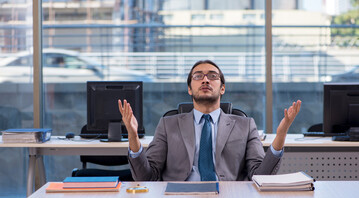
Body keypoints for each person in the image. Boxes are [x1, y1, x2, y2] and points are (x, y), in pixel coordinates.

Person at [118, 60, 301, 181]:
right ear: (190, 89)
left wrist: (281, 135)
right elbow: (147, 178)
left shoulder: (245, 125)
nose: (205, 80)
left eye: (213, 76)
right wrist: (133, 137)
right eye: (198, 76)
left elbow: (260, 176)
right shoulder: (168, 124)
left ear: (222, 88)